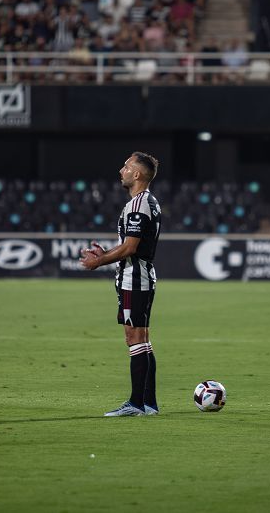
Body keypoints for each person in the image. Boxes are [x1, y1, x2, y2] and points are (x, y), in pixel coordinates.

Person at [80, 152, 162, 416]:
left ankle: (136, 404)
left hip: (134, 279)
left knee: (134, 338)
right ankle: (149, 403)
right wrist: (106, 254)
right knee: (143, 340)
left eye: (127, 166)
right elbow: (130, 245)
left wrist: (99, 260)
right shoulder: (147, 202)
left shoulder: (139, 204)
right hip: (139, 277)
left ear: (137, 174)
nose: (121, 170)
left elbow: (130, 247)